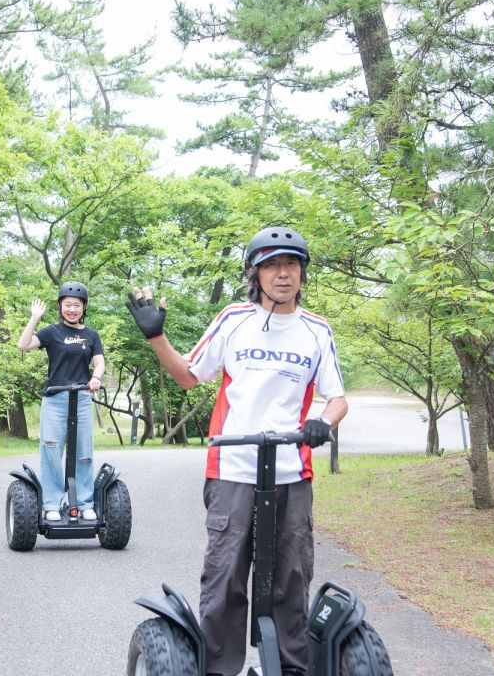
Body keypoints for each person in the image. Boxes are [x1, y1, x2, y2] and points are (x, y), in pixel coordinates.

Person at [125, 227, 346, 676]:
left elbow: (337, 397)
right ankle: (219, 670)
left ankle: (288, 669)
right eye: (272, 265)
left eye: (291, 265)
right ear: (256, 273)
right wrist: (156, 338)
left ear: (302, 273)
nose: (283, 274)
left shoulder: (317, 330)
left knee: (291, 577)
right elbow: (189, 376)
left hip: (292, 470)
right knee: (225, 576)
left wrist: (325, 422)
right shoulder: (233, 319)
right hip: (233, 466)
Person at [17, 282, 106, 522]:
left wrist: (96, 378)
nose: (72, 309)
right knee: (52, 450)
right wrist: (34, 318)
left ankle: (84, 501)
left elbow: (99, 362)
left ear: (84, 308)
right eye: (67, 305)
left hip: (83, 398)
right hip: (55, 398)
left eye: (77, 305)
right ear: (60, 306)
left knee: (84, 452)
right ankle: (52, 503)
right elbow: (23, 345)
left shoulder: (91, 335)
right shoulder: (52, 332)